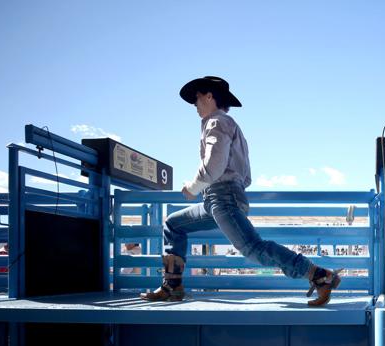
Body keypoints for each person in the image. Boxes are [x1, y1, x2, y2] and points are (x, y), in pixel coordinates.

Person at [141, 76, 341, 306]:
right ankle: (172, 286)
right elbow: (246, 176)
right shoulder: (230, 126)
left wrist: (193, 187)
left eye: (197, 98)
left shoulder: (216, 122)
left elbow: (214, 164)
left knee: (254, 248)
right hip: (220, 199)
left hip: (222, 198)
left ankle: (319, 275)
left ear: (209, 96)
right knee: (173, 224)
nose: (195, 104)